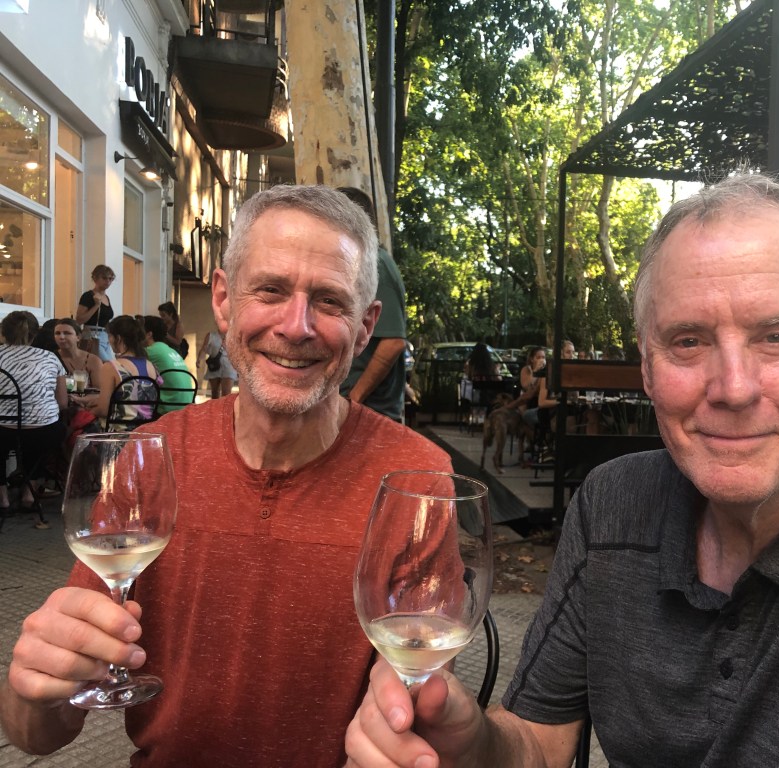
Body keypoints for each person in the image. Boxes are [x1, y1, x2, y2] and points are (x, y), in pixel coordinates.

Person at [344, 172, 779, 767]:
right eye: (688, 341)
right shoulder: (614, 507)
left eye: (776, 336)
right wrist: (469, 746)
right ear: (646, 367)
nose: (732, 387)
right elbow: (537, 746)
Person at [0, 184, 452, 766]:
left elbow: (416, 708)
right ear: (222, 299)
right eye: (270, 290)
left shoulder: (417, 483)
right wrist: (32, 687)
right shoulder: (154, 456)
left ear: (365, 327)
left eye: (329, 301)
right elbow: (38, 734)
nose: (296, 326)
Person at [337, 186, 408, 422]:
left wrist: (355, 399)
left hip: (370, 411)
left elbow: (394, 342)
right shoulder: (361, 260)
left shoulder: (375, 264)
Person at [0, 311, 67, 509]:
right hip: (43, 431)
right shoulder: (50, 357)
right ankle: (29, 493)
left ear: (3, 333)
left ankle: (2, 497)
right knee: (38, 438)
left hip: (2, 430)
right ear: (35, 334)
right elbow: (62, 403)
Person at [72, 315, 160, 429]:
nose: (108, 340)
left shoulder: (111, 367)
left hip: (118, 432)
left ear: (118, 338)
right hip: (146, 430)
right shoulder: (151, 366)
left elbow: (104, 410)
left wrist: (86, 409)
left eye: (109, 336)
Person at [141, 315, 194, 413]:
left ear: (149, 334)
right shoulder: (169, 350)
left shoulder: (151, 351)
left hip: (169, 408)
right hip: (186, 405)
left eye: (139, 331)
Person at [74, 264, 116, 362]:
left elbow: (105, 320)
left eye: (110, 279)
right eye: (104, 278)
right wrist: (96, 306)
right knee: (107, 363)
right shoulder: (88, 296)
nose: (108, 281)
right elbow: (79, 320)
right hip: (91, 334)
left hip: (105, 336)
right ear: (95, 278)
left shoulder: (106, 297)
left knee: (111, 363)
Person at [52, 318, 103, 392]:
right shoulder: (51, 359)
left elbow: (100, 392)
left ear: (78, 337)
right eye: (57, 333)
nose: (61, 337)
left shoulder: (93, 360)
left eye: (67, 333)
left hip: (88, 399)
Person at [199, 328, 237, 399]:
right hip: (214, 365)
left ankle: (225, 406)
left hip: (228, 366)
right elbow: (204, 348)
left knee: (226, 393)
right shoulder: (211, 335)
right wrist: (199, 359)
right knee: (215, 393)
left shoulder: (233, 335)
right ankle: (216, 406)